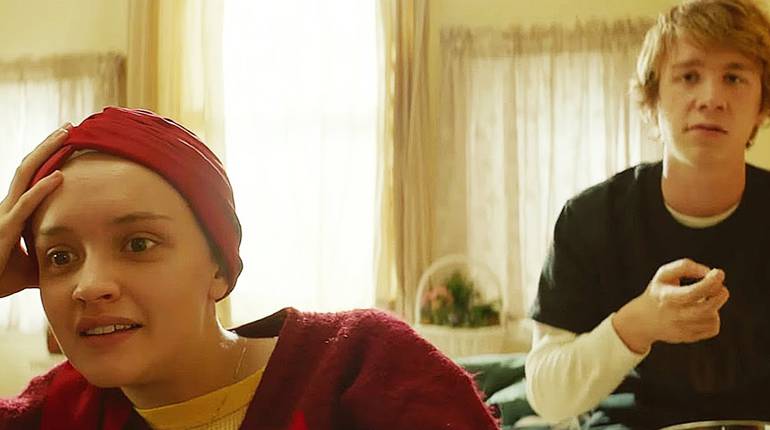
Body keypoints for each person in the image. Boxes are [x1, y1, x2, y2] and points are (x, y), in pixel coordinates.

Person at [0, 107, 500, 430]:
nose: (89, 286)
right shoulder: (54, 413)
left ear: (219, 267)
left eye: (138, 243)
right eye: (60, 257)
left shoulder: (362, 368)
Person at [525, 0, 770, 427]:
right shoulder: (590, 219)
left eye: (734, 78)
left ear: (762, 106)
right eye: (689, 76)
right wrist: (639, 323)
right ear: (653, 99)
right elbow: (548, 397)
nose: (711, 98)